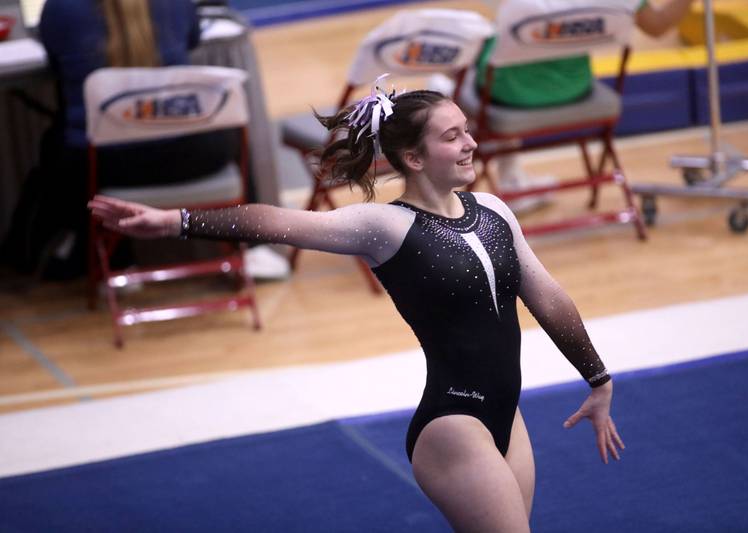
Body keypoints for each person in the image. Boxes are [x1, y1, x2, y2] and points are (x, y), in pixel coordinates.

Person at [89, 85, 623, 532]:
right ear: (413, 159)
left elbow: (548, 296)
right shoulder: (386, 226)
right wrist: (175, 221)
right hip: (453, 426)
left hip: (508, 417)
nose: (471, 144)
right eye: (452, 135)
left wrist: (597, 378)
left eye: (467, 130)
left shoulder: (494, 210)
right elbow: (274, 221)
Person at [3, 0, 287, 280]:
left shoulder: (61, 10)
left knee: (58, 146)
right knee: (230, 127)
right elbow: (192, 38)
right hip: (193, 156)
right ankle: (253, 245)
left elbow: (55, 61)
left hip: (107, 166)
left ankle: (114, 260)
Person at [475, 0, 695, 212]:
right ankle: (511, 178)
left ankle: (500, 172)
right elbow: (658, 26)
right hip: (572, 88)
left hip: (509, 92)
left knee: (473, 56)